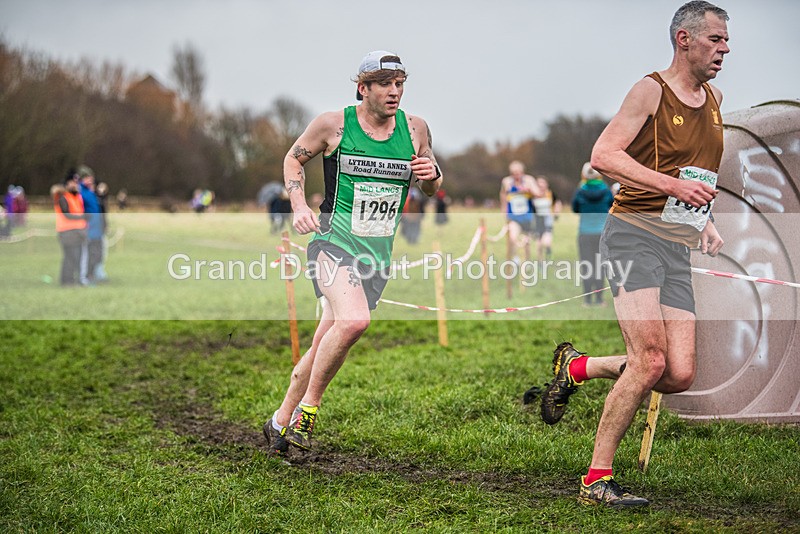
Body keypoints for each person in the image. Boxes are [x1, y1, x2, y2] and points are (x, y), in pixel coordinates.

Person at [540, 1, 728, 507]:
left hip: (676, 243)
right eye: (715, 39)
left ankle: (577, 368)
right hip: (631, 235)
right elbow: (603, 156)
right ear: (684, 40)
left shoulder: (714, 100)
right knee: (648, 360)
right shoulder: (650, 90)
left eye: (726, 41)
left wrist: (704, 221)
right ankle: (596, 480)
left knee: (678, 372)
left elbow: (695, 178)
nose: (724, 48)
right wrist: (670, 186)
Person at [262, 50, 442, 455]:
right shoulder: (335, 124)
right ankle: (306, 414)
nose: (394, 92)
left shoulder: (415, 130)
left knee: (327, 337)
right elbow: (294, 157)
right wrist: (299, 205)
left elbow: (428, 181)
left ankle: (277, 422)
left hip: (376, 254)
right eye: (384, 84)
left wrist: (433, 177)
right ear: (363, 88)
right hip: (333, 243)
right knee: (355, 321)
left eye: (399, 84)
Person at [572, 162, 615, 306]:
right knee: (599, 266)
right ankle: (599, 299)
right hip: (602, 234)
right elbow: (612, 206)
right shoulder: (606, 189)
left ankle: (587, 300)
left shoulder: (580, 190)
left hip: (584, 233)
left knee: (586, 265)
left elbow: (575, 208)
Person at [499, 161, 540, 263]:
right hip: (513, 216)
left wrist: (528, 190)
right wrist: (503, 210)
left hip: (527, 216)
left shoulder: (529, 180)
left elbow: (538, 193)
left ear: (522, 172)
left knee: (526, 242)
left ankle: (527, 261)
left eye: (518, 173)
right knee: (513, 237)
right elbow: (503, 195)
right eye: (514, 173)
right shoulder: (507, 181)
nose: (516, 175)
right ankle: (516, 258)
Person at [55, 170, 88, 286]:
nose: (75, 184)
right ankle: (67, 281)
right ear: (67, 184)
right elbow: (66, 214)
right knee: (70, 257)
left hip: (77, 232)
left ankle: (70, 280)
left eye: (76, 182)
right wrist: (82, 216)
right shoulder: (63, 197)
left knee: (74, 257)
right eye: (72, 182)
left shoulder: (77, 197)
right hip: (67, 232)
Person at [78, 166, 104, 285]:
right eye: (88, 178)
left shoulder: (90, 192)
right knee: (89, 255)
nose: (91, 180)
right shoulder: (81, 193)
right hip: (89, 229)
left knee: (97, 254)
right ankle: (87, 276)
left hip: (97, 229)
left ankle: (92, 274)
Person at [532, 176, 557, 261]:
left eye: (543, 183)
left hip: (547, 221)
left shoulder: (550, 194)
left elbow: (557, 203)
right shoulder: (533, 195)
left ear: (546, 185)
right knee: (538, 243)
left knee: (546, 242)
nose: (541, 186)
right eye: (539, 184)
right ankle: (540, 261)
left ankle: (548, 250)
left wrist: (556, 213)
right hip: (538, 221)